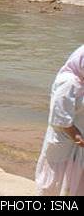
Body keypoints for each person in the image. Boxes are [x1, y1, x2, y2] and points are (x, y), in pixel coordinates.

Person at [35, 45, 84, 196]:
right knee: (55, 184)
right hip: (63, 142)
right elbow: (62, 121)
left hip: (77, 144)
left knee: (73, 182)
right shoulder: (69, 83)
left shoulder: (81, 81)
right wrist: (80, 140)